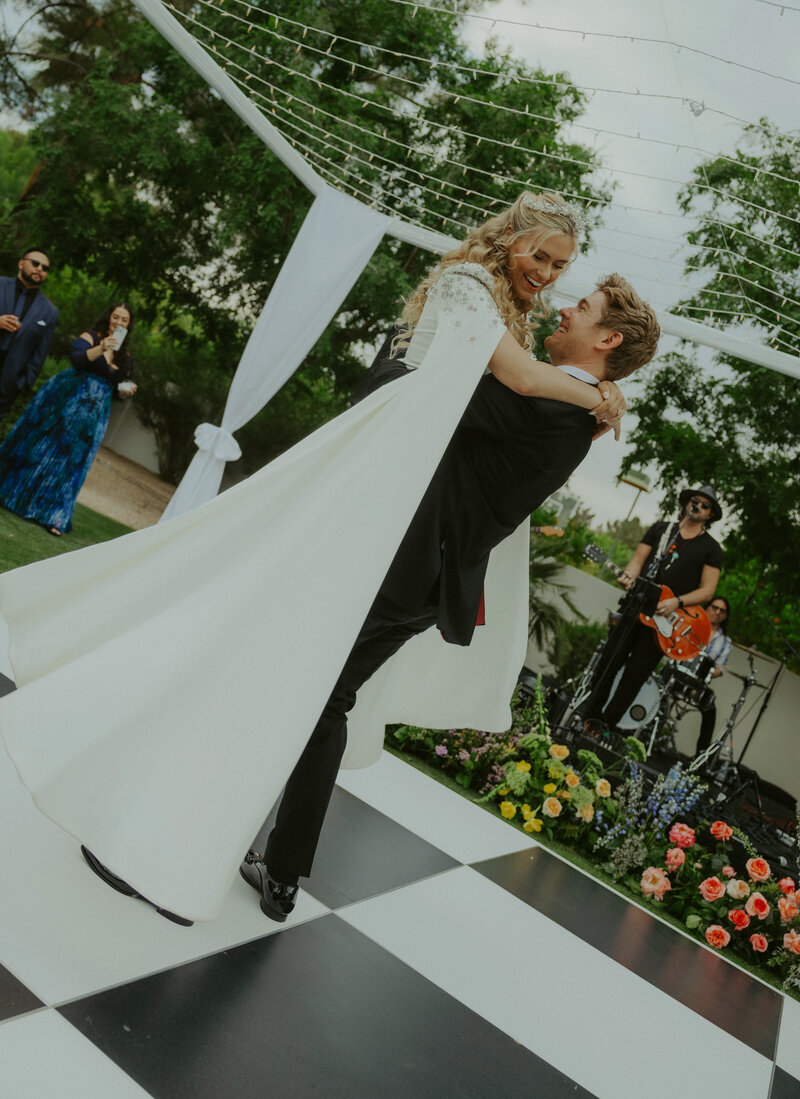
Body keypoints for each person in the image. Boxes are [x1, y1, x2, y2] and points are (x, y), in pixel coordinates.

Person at [0, 192, 659, 925]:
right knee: (319, 699)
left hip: (390, 556)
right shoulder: (570, 403)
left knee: (262, 669)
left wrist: (415, 372)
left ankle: (160, 843)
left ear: (606, 339)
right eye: (546, 261)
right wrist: (600, 393)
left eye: (577, 294)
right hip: (422, 577)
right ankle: (274, 868)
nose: (560, 294)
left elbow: (444, 391)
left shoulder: (552, 398)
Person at [592, 485, 724, 733]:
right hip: (636, 607)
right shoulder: (661, 530)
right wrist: (628, 576)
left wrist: (677, 602)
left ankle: (604, 728)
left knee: (635, 675)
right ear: (686, 503)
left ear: (710, 514)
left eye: (705, 505)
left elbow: (707, 591)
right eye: (694, 500)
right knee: (608, 661)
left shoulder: (712, 549)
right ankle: (589, 717)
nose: (697, 506)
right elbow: (637, 561)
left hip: (665, 621)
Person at [0, 302, 137, 536]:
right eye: (116, 317)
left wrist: (125, 391)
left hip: (94, 416)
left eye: (124, 320)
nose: (119, 322)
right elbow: (77, 360)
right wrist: (102, 347)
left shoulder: (126, 358)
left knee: (74, 462)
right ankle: (15, 496)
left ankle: (54, 515)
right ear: (109, 317)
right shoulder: (91, 337)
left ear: (129, 325)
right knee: (44, 448)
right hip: (68, 402)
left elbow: (116, 389)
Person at [0, 248, 59, 422]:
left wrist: (23, 383)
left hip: (7, 385)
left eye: (45, 268)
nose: (39, 269)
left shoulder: (50, 311)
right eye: (35, 263)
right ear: (21, 263)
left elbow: (40, 353)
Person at [690, 596, 732, 757]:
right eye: (715, 607)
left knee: (710, 710)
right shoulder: (693, 624)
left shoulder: (726, 642)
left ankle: (700, 757)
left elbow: (720, 669)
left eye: (722, 610)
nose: (717, 612)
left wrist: (707, 672)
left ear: (725, 616)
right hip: (678, 672)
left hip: (699, 683)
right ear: (707, 607)